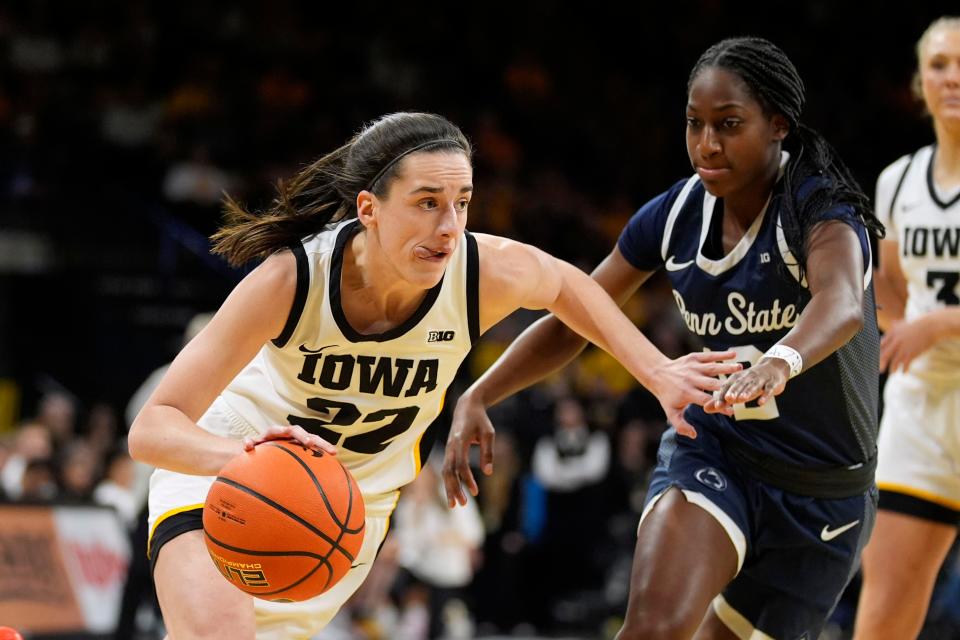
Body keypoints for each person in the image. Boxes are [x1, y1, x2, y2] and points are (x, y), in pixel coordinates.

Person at [127, 112, 739, 639]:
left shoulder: (479, 272)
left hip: (348, 503)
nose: (449, 227)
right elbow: (153, 427)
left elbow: (567, 285)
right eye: (427, 204)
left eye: (462, 203)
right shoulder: (292, 280)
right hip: (231, 468)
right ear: (368, 208)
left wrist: (657, 372)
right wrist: (239, 460)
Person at [443, 38, 885, 639]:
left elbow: (841, 304)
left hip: (822, 493)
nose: (707, 144)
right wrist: (481, 394)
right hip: (719, 453)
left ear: (778, 125)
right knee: (651, 628)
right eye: (694, 124)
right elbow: (578, 315)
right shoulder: (674, 214)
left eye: (729, 125)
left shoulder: (822, 209)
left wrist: (781, 360)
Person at [854, 17, 960, 640]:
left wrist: (941, 322)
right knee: (884, 616)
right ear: (921, 82)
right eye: (940, 64)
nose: (953, 77)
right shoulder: (898, 181)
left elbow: (924, 314)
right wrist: (896, 331)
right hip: (922, 408)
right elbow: (889, 284)